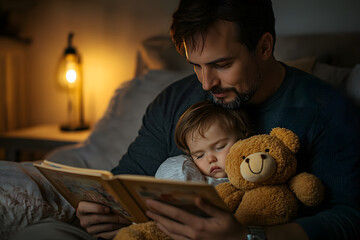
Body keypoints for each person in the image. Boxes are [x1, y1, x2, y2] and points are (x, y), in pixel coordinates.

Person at [10, 0, 360, 240]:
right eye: (196, 65)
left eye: (222, 65)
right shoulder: (173, 99)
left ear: (264, 47)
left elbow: (350, 216)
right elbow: (126, 177)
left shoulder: (325, 108)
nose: (206, 84)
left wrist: (248, 237)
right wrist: (100, 210)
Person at [155, 100, 251, 184]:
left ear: (243, 137)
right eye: (199, 155)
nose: (210, 159)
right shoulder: (197, 179)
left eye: (220, 147)